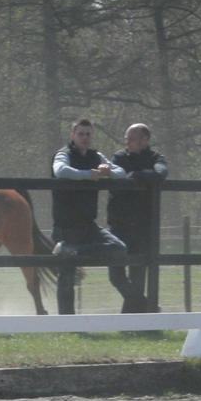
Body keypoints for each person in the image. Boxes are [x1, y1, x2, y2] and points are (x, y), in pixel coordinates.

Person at [51, 118, 129, 314]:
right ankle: (66, 322)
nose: (85, 138)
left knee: (119, 248)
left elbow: (121, 173)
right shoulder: (63, 154)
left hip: (88, 225)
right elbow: (60, 171)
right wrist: (89, 174)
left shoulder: (97, 156)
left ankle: (72, 250)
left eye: (88, 134)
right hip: (66, 225)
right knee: (67, 277)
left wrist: (107, 170)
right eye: (81, 134)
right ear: (73, 135)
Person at [108, 123, 170, 313]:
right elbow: (113, 178)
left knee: (138, 274)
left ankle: (131, 321)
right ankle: (147, 306)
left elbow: (160, 173)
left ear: (145, 140)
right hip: (118, 223)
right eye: (126, 138)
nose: (127, 141)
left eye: (132, 138)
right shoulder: (119, 157)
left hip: (143, 226)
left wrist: (136, 175)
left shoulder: (156, 158)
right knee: (115, 274)